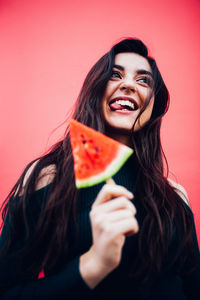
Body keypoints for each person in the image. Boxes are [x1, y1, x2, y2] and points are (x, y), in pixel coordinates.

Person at [0, 38, 199, 300]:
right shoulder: (47, 178)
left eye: (143, 80)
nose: (127, 84)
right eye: (114, 75)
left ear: (154, 106)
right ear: (94, 90)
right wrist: (93, 265)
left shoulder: (175, 195)